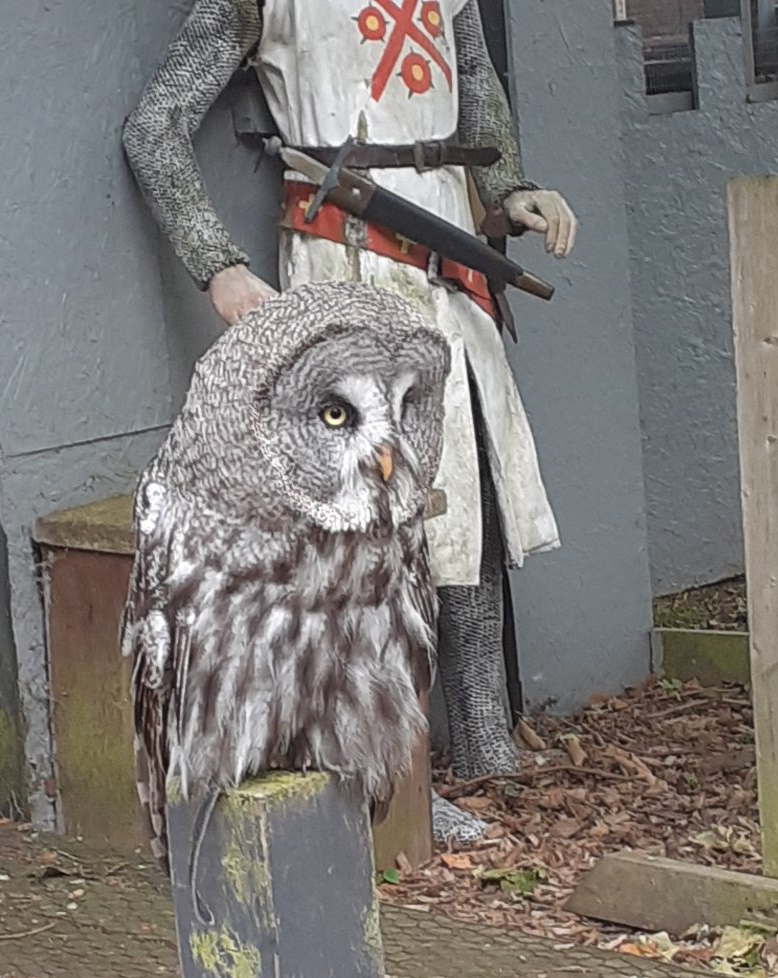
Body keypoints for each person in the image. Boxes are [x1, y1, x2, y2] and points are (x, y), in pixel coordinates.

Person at [122, 0, 577, 842]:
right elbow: (155, 128)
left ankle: (484, 741)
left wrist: (510, 188)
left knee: (469, 499)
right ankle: (404, 780)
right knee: (367, 545)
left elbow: (474, 91)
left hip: (451, 266)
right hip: (346, 262)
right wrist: (218, 265)